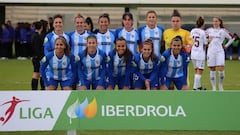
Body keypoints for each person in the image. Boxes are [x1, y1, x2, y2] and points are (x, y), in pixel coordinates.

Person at [162, 9, 193, 89]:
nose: (175, 23)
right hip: (168, 65)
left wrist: (185, 49)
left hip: (180, 65)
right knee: (169, 88)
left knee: (184, 88)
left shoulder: (186, 33)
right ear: (171, 22)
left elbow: (190, 45)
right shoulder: (166, 32)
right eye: (173, 21)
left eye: (177, 21)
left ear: (180, 22)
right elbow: (162, 44)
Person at [206, 17, 234, 91]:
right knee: (212, 69)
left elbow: (232, 38)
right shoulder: (209, 30)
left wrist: (226, 45)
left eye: (216, 21)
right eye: (213, 21)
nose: (214, 23)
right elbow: (203, 38)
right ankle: (214, 87)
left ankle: (220, 85)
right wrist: (207, 41)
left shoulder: (223, 31)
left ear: (219, 22)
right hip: (211, 51)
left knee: (221, 69)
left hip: (219, 52)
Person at [190, 16, 208, 90]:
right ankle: (195, 88)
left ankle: (199, 86)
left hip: (193, 52)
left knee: (196, 69)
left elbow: (190, 40)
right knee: (200, 70)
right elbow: (205, 43)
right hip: (200, 53)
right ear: (203, 24)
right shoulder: (203, 32)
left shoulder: (192, 30)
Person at [31, 21, 45, 90]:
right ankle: (35, 89)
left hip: (36, 57)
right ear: (41, 27)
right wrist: (41, 57)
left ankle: (39, 89)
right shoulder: (36, 36)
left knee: (39, 73)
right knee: (37, 74)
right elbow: (36, 49)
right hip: (38, 58)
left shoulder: (35, 35)